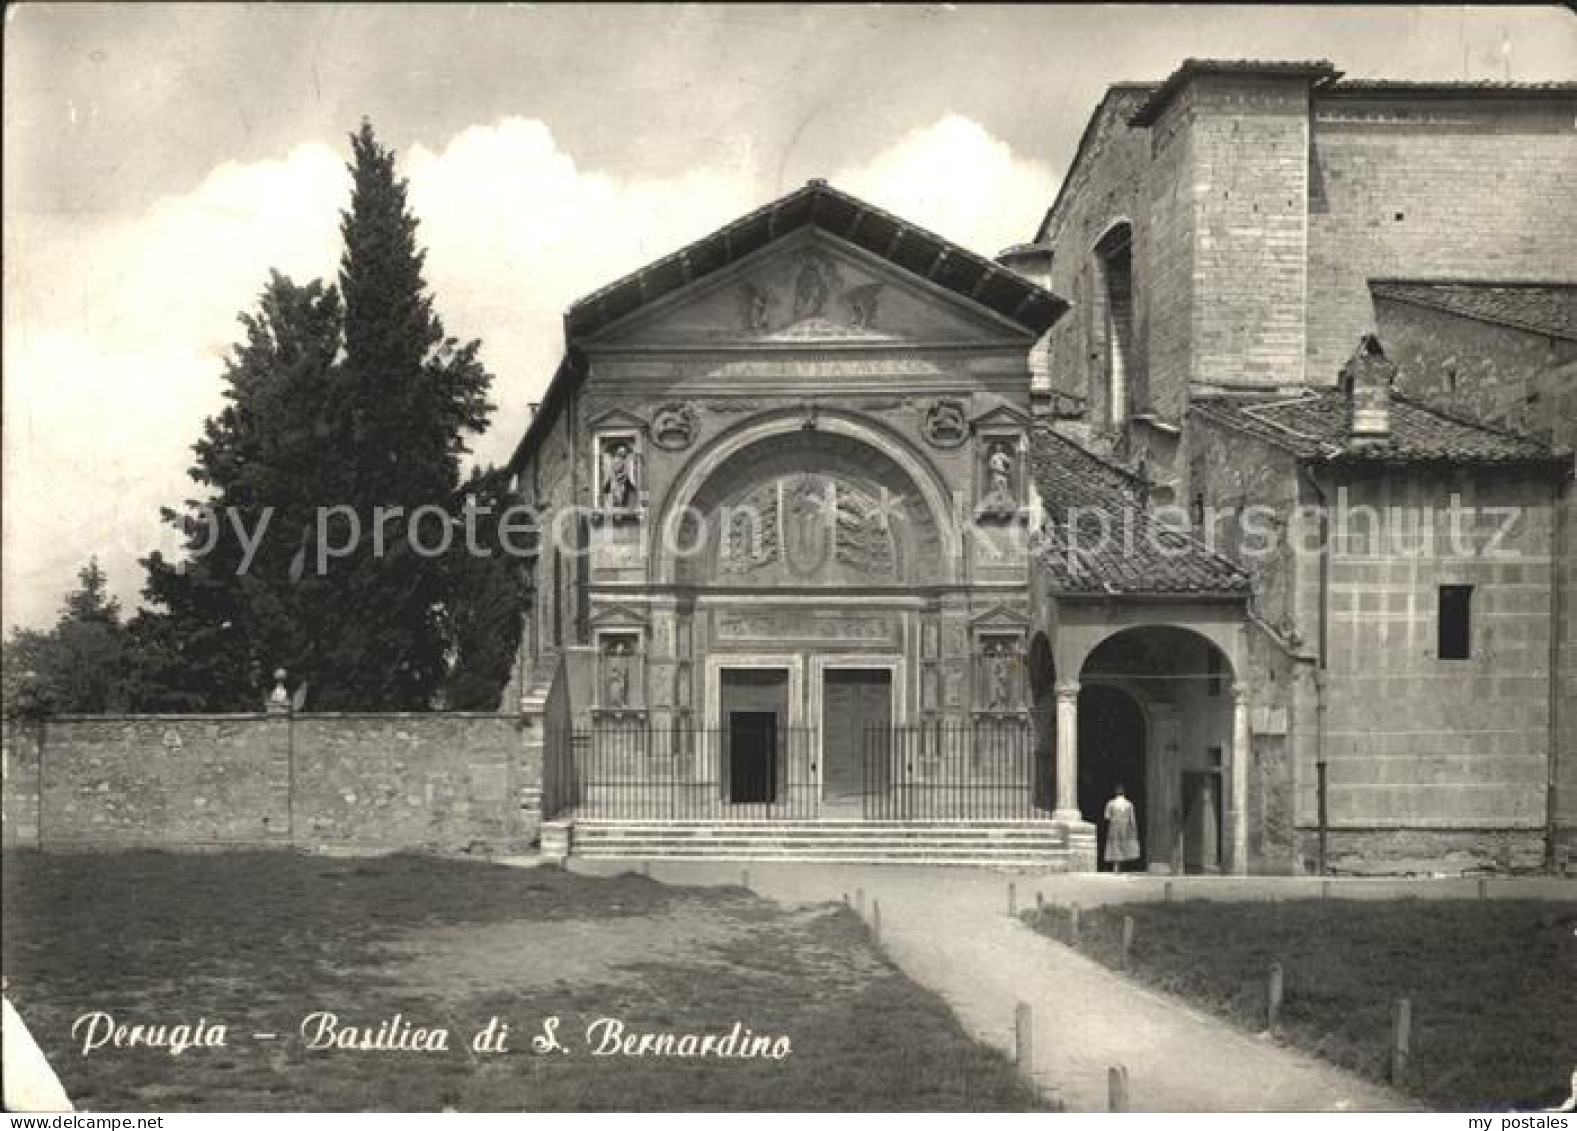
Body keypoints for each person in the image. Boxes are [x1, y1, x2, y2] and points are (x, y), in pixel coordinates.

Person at [1104, 785, 1141, 873]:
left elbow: (1107, 816)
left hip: (1114, 826)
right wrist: (1135, 830)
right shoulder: (1129, 803)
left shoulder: (1111, 803)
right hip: (1126, 826)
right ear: (1124, 793)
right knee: (1125, 844)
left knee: (1115, 845)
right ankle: (1123, 866)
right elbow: (1132, 819)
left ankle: (1116, 867)